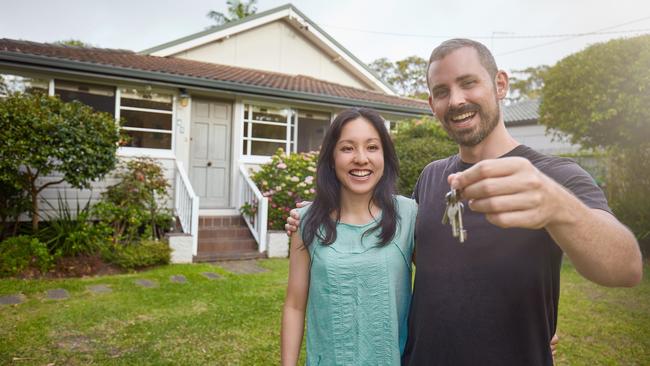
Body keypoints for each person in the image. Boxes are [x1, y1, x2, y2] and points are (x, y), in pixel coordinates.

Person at [287, 39, 642, 365]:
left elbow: (626, 268)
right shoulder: (430, 178)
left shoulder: (555, 176)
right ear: (432, 104)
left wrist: (558, 207)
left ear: (500, 84)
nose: (456, 100)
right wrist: (313, 218)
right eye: (441, 91)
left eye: (468, 82)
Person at [281, 108, 418, 365]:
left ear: (385, 156)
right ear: (332, 158)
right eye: (347, 148)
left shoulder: (409, 215)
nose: (361, 158)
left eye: (372, 147)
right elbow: (294, 305)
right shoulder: (306, 221)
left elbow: (441, 285)